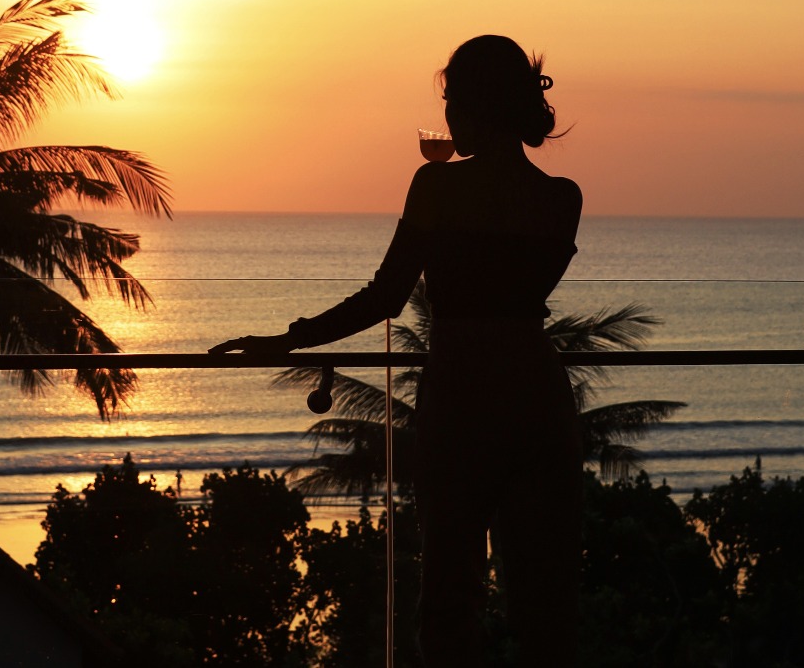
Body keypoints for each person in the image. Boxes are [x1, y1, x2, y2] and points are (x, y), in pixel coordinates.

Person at [210, 34, 583, 666]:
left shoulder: (437, 186)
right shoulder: (561, 197)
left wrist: (290, 339)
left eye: (452, 100)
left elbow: (385, 296)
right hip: (537, 398)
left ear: (476, 104)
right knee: (544, 604)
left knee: (449, 599)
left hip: (462, 397)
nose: (446, 115)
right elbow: (515, 295)